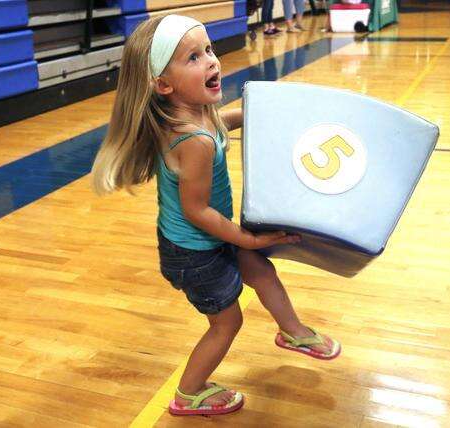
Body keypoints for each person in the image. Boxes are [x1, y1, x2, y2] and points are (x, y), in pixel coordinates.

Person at [91, 14, 340, 417]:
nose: (211, 60)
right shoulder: (193, 141)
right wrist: (249, 239)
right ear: (164, 84)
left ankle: (292, 331)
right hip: (194, 253)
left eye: (208, 50)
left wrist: (254, 115)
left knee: (262, 272)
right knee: (227, 322)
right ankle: (188, 393)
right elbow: (196, 210)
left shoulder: (196, 112)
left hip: (207, 236)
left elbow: (219, 124)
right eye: (193, 57)